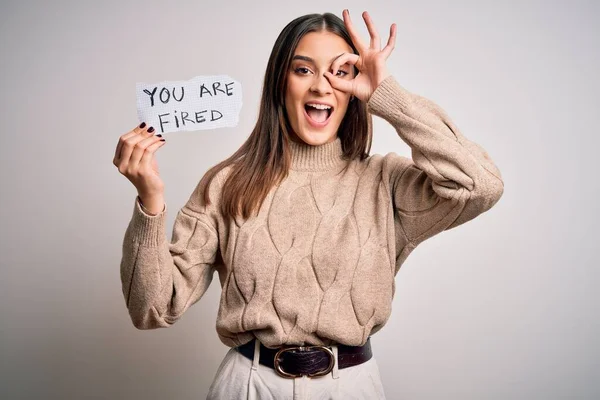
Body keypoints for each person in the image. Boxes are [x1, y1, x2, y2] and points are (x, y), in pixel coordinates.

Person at [113, 9, 504, 400]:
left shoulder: (386, 183)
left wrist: (388, 94)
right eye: (303, 70)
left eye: (340, 72)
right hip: (248, 386)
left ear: (355, 87)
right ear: (280, 83)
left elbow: (481, 185)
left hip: (350, 387)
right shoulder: (226, 183)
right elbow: (152, 308)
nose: (321, 86)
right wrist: (150, 203)